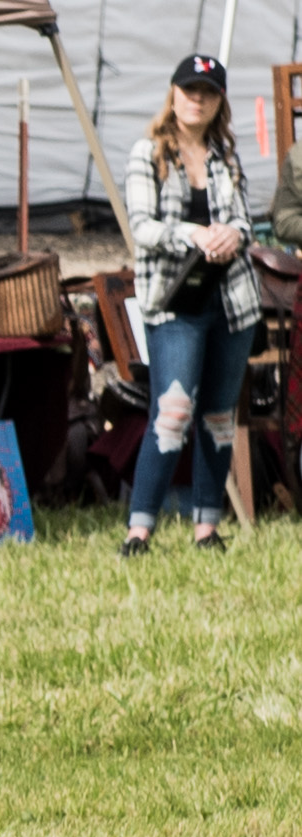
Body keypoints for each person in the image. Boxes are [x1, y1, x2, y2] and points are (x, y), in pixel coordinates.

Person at [119, 52, 261, 555]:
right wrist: (194, 234)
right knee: (174, 412)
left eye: (207, 92)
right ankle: (139, 531)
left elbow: (246, 222)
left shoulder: (226, 156)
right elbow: (142, 227)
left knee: (219, 416)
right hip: (174, 301)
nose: (196, 99)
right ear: (173, 95)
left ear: (219, 101)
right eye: (189, 90)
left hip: (232, 301)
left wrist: (233, 234)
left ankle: (207, 528)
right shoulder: (148, 152)